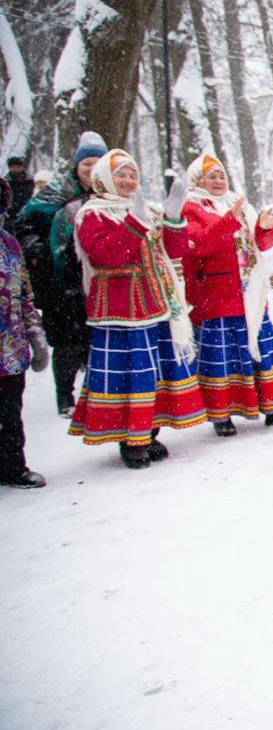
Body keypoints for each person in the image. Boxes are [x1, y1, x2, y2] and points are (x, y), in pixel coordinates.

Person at [68, 150, 207, 468]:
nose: (129, 181)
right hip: (120, 311)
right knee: (130, 374)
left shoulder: (145, 209)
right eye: (121, 175)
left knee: (154, 373)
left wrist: (172, 219)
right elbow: (106, 255)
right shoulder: (92, 214)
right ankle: (130, 439)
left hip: (155, 303)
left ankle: (149, 432)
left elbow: (174, 251)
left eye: (132, 175)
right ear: (103, 179)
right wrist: (134, 222)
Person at [180, 153, 273, 437]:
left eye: (221, 175)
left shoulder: (238, 204)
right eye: (211, 176)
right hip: (216, 295)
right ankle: (221, 414)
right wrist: (227, 221)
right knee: (223, 357)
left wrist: (262, 227)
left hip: (249, 295)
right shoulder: (192, 207)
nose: (218, 181)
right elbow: (198, 245)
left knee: (264, 352)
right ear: (198, 180)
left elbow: (259, 245)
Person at [15, 131, 105, 416]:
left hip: (99, 276)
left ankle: (97, 393)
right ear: (76, 166)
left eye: (98, 163)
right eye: (86, 163)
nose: (91, 169)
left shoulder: (111, 193)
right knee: (67, 341)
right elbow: (23, 224)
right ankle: (65, 396)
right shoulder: (55, 193)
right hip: (61, 278)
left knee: (96, 338)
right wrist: (38, 250)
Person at [0, 197, 49, 488]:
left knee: (10, 411)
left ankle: (13, 467)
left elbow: (24, 295)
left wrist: (35, 335)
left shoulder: (10, 245)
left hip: (10, 346)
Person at [5, 156, 36, 233]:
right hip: (10, 215)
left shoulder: (29, 181)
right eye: (13, 167)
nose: (16, 170)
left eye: (18, 167)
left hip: (27, 213)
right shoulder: (5, 182)